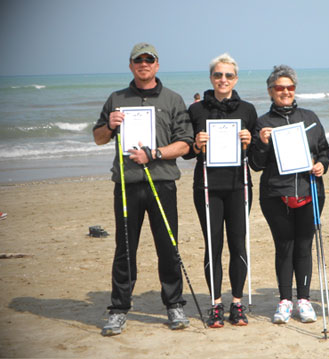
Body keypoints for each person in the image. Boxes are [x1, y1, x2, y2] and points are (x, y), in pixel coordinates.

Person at [93, 43, 194, 336]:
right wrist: (110, 126)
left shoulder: (173, 99)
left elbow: (185, 143)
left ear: (157, 65)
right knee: (125, 249)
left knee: (168, 247)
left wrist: (155, 154)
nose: (144, 64)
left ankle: (174, 304)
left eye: (149, 60)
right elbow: (98, 138)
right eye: (139, 60)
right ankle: (119, 309)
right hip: (126, 185)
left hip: (162, 183)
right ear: (131, 65)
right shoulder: (117, 98)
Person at [249, 65, 329, 324]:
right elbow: (255, 164)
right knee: (284, 246)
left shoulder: (310, 117)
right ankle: (285, 301)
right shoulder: (262, 123)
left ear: (295, 89)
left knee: (304, 246)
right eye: (279, 88)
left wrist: (322, 165)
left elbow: (324, 151)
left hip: (310, 192)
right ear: (271, 91)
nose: (285, 92)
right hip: (276, 196)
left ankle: (304, 301)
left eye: (290, 87)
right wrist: (261, 144)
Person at [185, 53, 257, 328]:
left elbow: (258, 154)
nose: (223, 79)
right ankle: (215, 304)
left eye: (228, 75)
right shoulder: (196, 110)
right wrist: (196, 144)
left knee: (238, 244)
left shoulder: (248, 110)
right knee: (213, 245)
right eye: (218, 75)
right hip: (206, 187)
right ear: (211, 78)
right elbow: (187, 155)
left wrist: (249, 141)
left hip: (239, 186)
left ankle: (236, 303)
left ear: (235, 79)